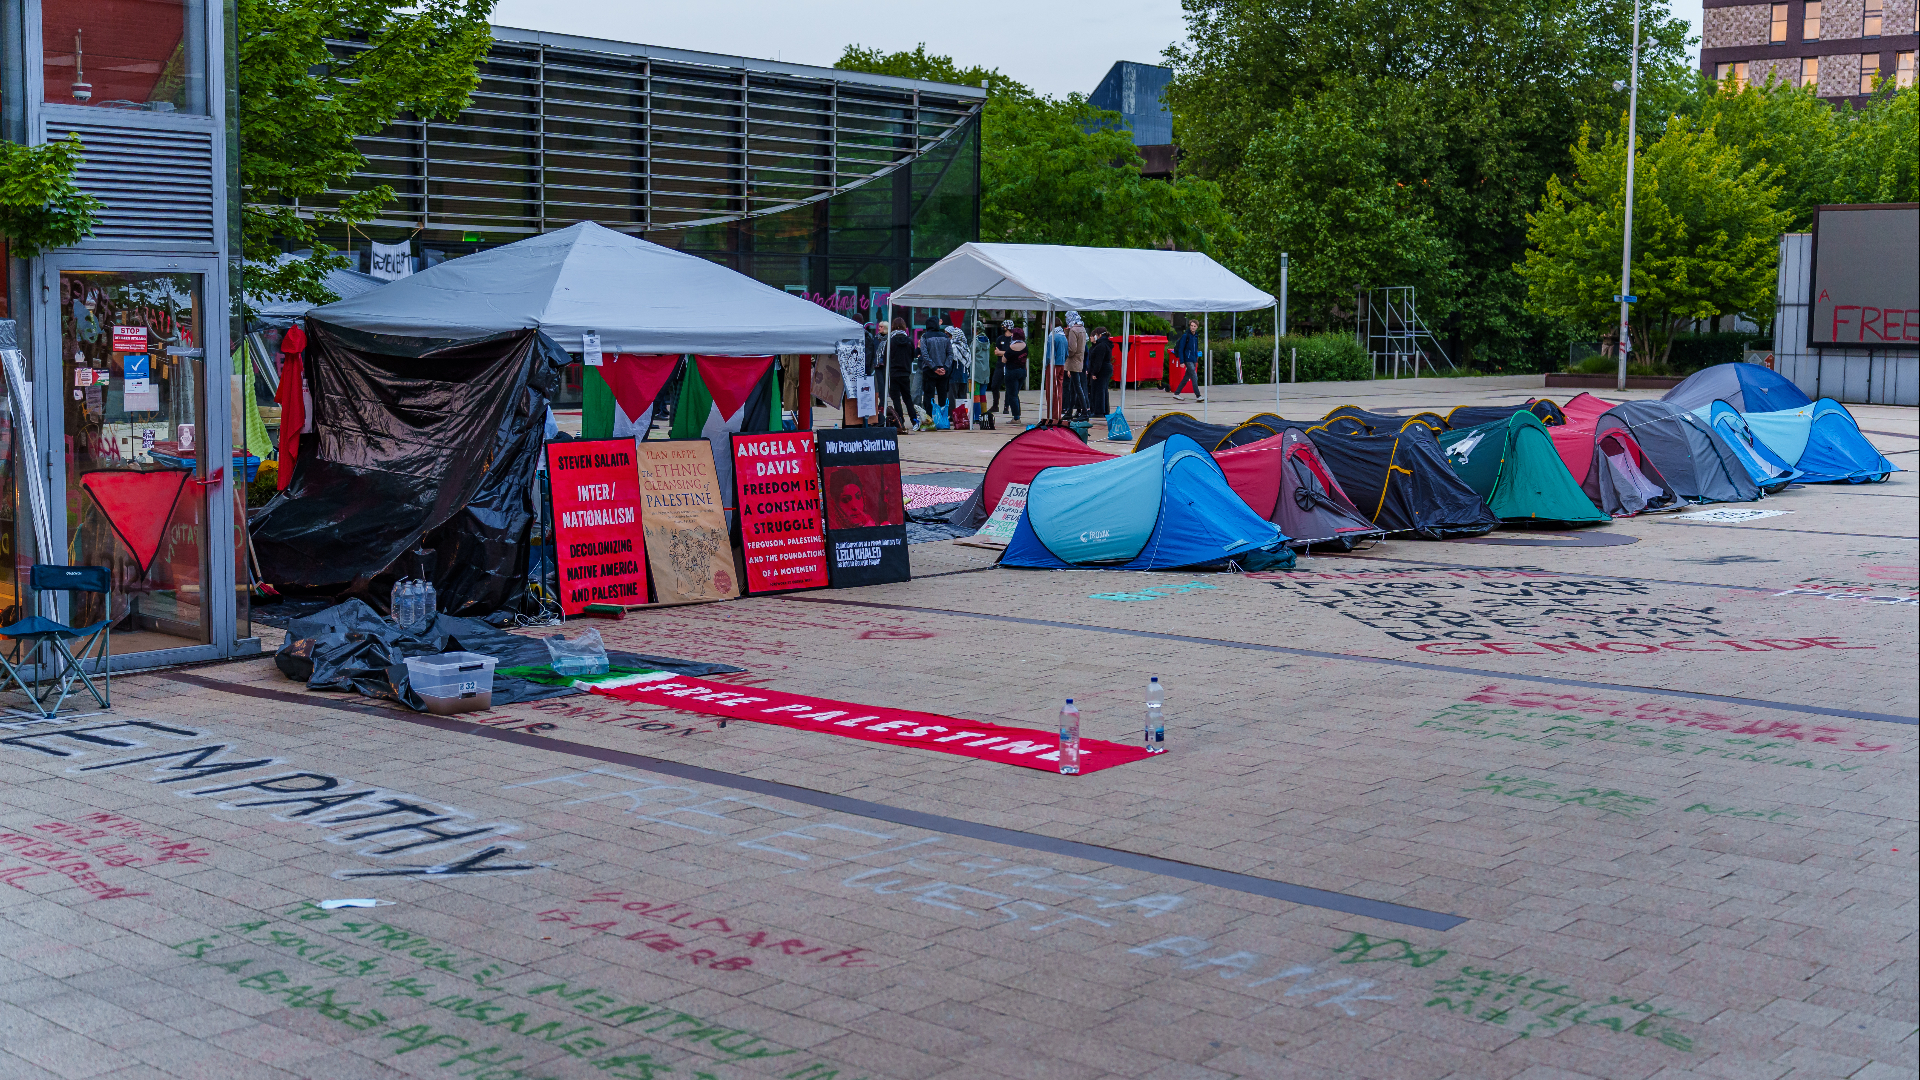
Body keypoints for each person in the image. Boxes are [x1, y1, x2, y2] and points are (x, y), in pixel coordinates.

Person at [918, 314, 953, 428]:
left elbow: (925, 355)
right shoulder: (945, 337)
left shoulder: (925, 337)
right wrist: (945, 367)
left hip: (929, 371)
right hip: (944, 372)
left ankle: (929, 421)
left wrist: (934, 368)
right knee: (943, 396)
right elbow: (950, 354)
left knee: (929, 396)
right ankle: (943, 420)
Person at [886, 316, 919, 430]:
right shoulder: (909, 341)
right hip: (905, 373)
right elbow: (912, 356)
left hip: (894, 373)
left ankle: (900, 420)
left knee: (896, 398)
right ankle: (914, 420)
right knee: (907, 398)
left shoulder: (890, 341)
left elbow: (887, 357)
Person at [1171, 318, 1204, 402]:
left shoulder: (1196, 336)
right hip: (1187, 359)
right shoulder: (1186, 336)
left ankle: (1176, 393)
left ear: (1197, 327)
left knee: (1186, 377)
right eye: (1191, 326)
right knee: (1194, 376)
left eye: (1194, 326)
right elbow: (1181, 349)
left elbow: (1195, 349)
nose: (1193, 327)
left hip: (1193, 359)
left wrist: (1196, 359)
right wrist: (1182, 361)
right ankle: (1198, 395)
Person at [1064, 312, 1089, 419]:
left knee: (1077, 387)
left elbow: (1072, 348)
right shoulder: (1082, 329)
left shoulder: (1073, 330)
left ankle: (1084, 412)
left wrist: (1066, 354)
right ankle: (1070, 411)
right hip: (1079, 359)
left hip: (1073, 360)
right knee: (1074, 387)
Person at [1086, 326, 1114, 418]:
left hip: (1102, 370)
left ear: (1099, 335)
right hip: (1106, 368)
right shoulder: (1106, 344)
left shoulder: (1101, 345)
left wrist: (1094, 373)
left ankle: (1098, 411)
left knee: (1098, 390)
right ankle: (1104, 410)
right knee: (1103, 390)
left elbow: (1098, 361)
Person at [1001, 326, 1027, 423]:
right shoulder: (1025, 346)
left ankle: (1016, 417)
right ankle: (1017, 415)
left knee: (1012, 395)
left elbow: (1004, 360)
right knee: (1016, 393)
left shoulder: (1012, 347)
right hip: (1022, 371)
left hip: (1012, 372)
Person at [1045, 320, 1069, 419]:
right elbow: (1067, 353)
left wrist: (1046, 364)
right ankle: (1058, 413)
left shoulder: (1052, 336)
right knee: (1059, 390)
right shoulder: (1063, 337)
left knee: (1051, 391)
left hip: (1053, 365)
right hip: (1061, 365)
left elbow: (1049, 355)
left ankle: (1052, 415)